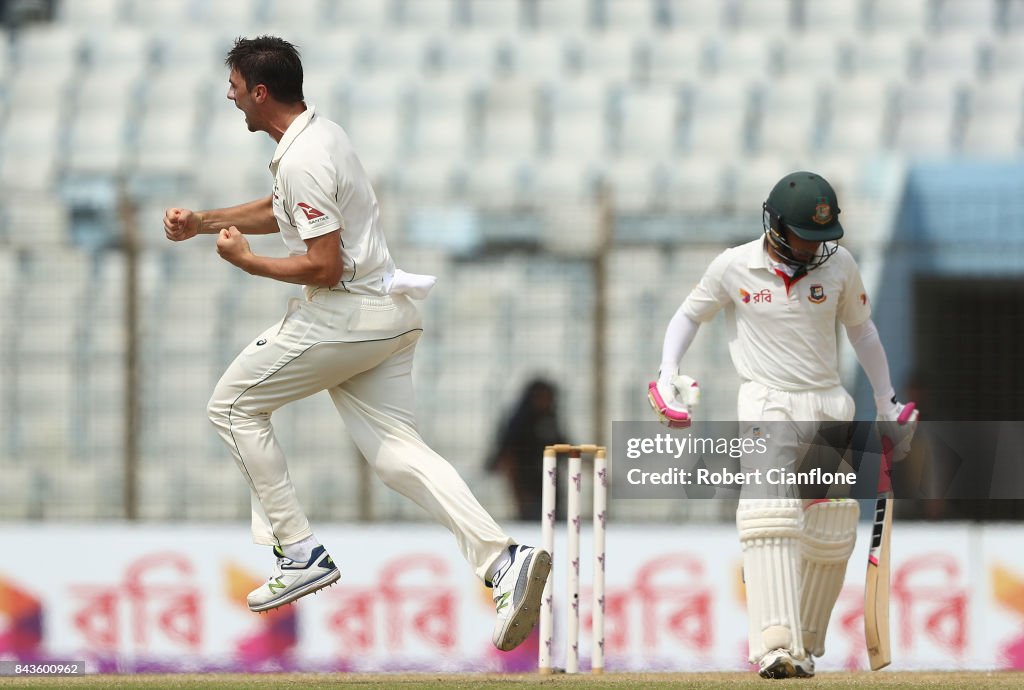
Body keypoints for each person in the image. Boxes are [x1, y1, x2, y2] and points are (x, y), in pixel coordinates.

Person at [162, 36, 549, 653]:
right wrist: (205, 221)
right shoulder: (319, 136)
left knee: (232, 406)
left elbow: (321, 264)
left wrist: (247, 262)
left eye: (234, 87)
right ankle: (504, 561)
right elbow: (281, 207)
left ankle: (300, 551)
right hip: (388, 316)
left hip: (348, 316)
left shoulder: (304, 157)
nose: (230, 97)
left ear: (260, 92)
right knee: (397, 456)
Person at [648, 171, 919, 678]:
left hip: (828, 405)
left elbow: (864, 334)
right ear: (774, 225)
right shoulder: (735, 266)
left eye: (822, 237)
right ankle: (774, 644)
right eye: (804, 235)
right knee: (770, 519)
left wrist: (887, 402)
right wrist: (668, 374)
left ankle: (804, 648)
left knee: (834, 527)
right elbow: (688, 316)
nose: (814, 247)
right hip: (767, 405)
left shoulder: (839, 265)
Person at [487, 378, 565, 521]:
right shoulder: (518, 423)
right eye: (542, 397)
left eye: (549, 398)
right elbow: (508, 458)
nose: (546, 402)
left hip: (552, 486)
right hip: (528, 489)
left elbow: (564, 448)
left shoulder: (550, 419)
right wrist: (519, 495)